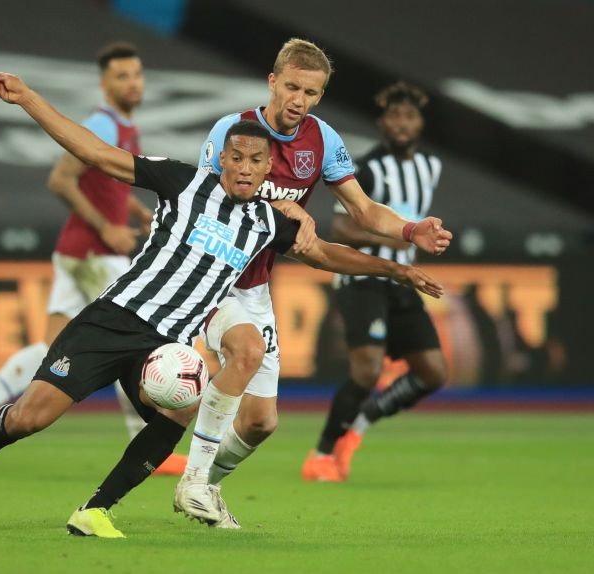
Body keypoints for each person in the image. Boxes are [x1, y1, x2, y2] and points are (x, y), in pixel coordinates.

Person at [0, 70, 444, 539]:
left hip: (162, 343)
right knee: (29, 419)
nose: (244, 168)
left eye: (255, 161)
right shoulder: (182, 180)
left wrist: (396, 267)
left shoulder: (268, 224)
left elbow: (326, 253)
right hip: (112, 320)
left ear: (268, 173)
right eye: (236, 157)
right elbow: (97, 156)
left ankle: (96, 510)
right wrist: (29, 99)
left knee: (185, 405)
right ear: (221, 157)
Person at [174, 39, 453, 526]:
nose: (299, 100)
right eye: (292, 87)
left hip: (256, 288)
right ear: (273, 82)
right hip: (211, 276)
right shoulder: (232, 131)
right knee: (245, 353)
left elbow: (364, 211)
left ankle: (204, 485)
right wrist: (280, 208)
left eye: (312, 91)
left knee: (262, 423)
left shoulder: (322, 140)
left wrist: (410, 231)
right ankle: (193, 483)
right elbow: (201, 207)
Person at [0, 43, 187, 474]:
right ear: (104, 83)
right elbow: (61, 179)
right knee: (130, 339)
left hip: (78, 251)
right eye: (122, 76)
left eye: (136, 74)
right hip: (94, 251)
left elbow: (107, 183)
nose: (133, 83)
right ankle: (144, 439)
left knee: (48, 346)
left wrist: (134, 213)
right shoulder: (102, 123)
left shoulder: (123, 125)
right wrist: (106, 226)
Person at [301, 81, 448, 482]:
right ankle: (321, 455)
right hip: (364, 279)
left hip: (404, 281)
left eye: (410, 116)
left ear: (420, 123)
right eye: (394, 115)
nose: (402, 123)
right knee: (366, 371)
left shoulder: (429, 167)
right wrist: (397, 233)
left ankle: (360, 425)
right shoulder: (365, 168)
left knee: (433, 372)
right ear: (382, 121)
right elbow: (342, 227)